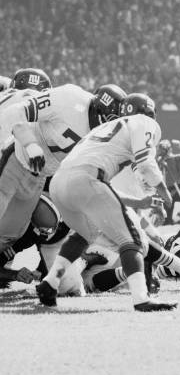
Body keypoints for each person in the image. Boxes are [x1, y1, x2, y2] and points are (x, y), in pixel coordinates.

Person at [35, 93, 180, 312]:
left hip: (60, 181)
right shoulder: (144, 122)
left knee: (83, 235)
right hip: (87, 178)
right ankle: (142, 298)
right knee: (131, 239)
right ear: (150, 113)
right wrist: (163, 190)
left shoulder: (101, 129)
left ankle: (50, 283)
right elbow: (145, 161)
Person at [0, 83, 126, 254]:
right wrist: (30, 144)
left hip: (40, 178)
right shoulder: (69, 98)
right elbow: (14, 112)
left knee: (9, 234)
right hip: (15, 159)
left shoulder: (107, 139)